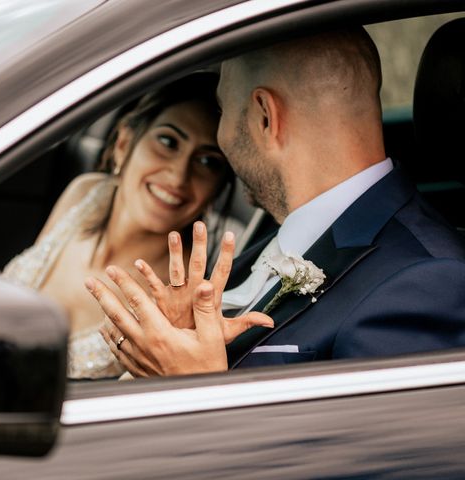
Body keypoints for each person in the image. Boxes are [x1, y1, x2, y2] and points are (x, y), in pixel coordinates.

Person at [87, 27, 465, 377]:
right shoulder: (283, 228)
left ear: (266, 116)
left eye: (223, 111)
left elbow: (383, 450)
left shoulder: (428, 285)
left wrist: (194, 384)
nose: (221, 134)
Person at [3, 72, 256, 379]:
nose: (177, 177)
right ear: (124, 144)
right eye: (167, 141)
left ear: (217, 189)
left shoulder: (182, 295)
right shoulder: (84, 194)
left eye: (207, 162)